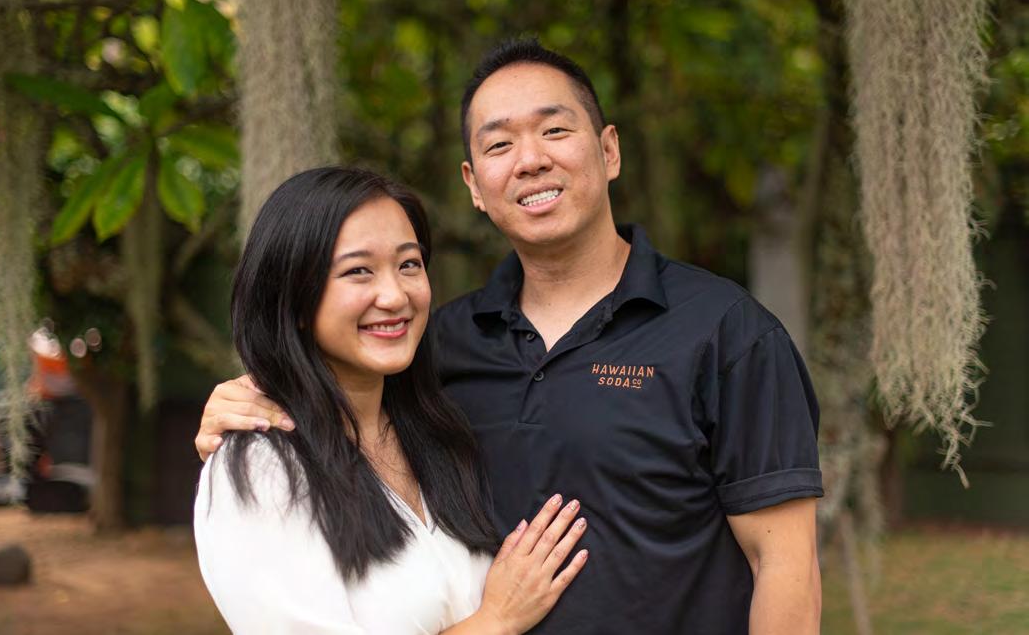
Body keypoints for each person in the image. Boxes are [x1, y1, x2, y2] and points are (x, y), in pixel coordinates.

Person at [197, 40, 824, 634]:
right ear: (474, 184)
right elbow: (327, 409)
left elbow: (784, 564)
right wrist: (242, 406)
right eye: (500, 144)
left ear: (609, 150)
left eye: (554, 130)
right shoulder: (435, 348)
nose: (530, 160)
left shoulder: (724, 332)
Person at [193, 166, 589, 634]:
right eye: (358, 271)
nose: (395, 295)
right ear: (294, 298)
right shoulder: (263, 469)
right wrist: (497, 620)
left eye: (409, 265)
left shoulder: (438, 434)